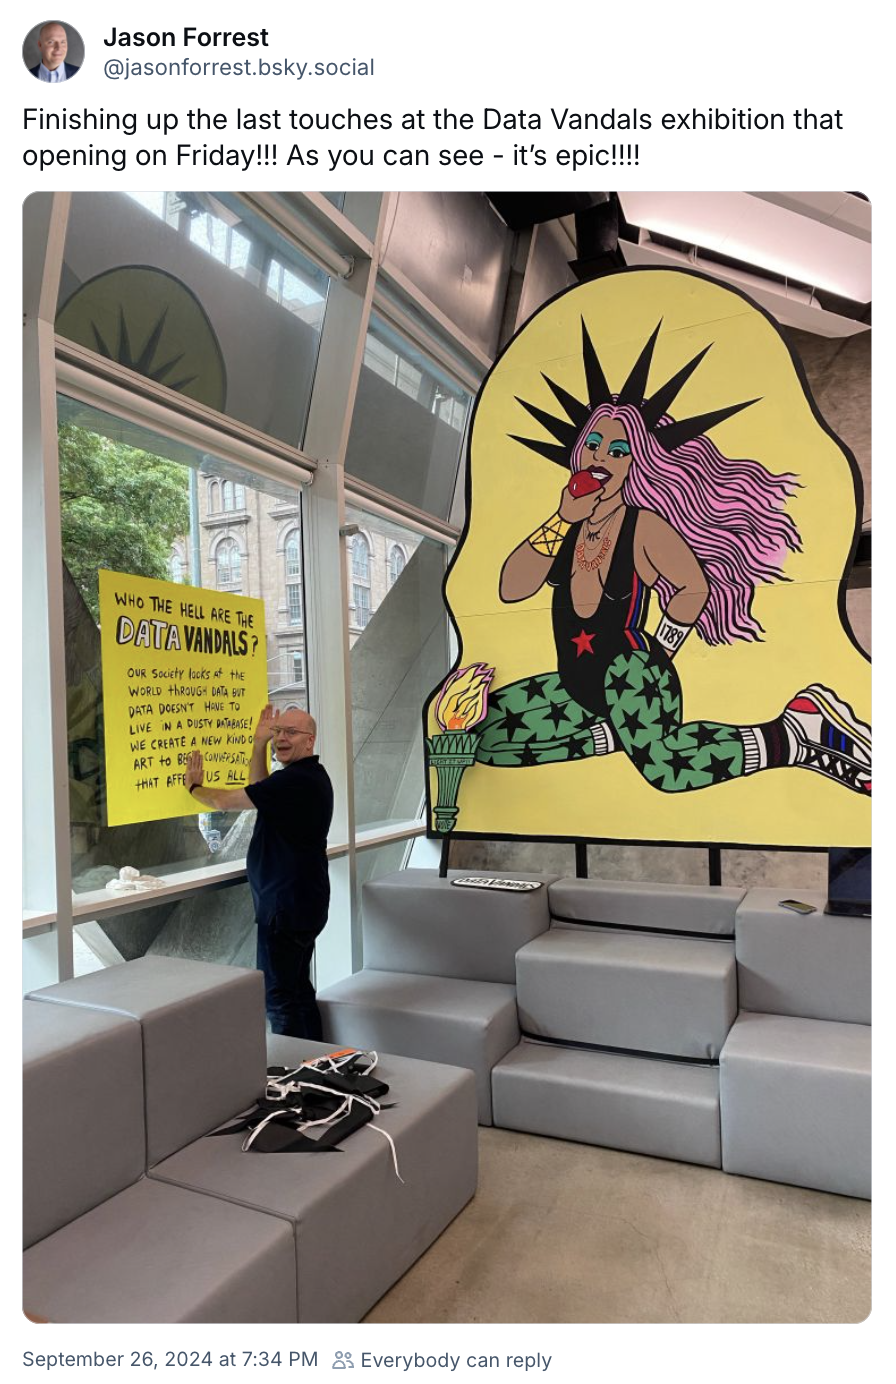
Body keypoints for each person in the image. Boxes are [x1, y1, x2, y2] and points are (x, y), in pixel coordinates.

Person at [474, 320, 871, 795]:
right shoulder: (565, 527)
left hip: (631, 673)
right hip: (576, 687)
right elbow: (510, 588)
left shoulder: (644, 527)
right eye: (595, 444)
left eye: (618, 451)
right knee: (486, 737)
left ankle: (794, 734)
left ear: (636, 464)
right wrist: (560, 518)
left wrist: (660, 650)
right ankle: (622, 734)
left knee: (668, 769)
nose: (602, 457)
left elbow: (693, 586)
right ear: (579, 453)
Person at [184, 704, 334, 1039]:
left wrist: (194, 788)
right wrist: (257, 747)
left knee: (279, 999)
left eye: (290, 733)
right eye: (278, 731)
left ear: (309, 741)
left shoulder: (296, 782)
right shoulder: (304, 778)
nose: (281, 737)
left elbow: (224, 802)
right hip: (300, 902)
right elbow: (260, 788)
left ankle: (295, 1073)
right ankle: (316, 1064)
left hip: (286, 907)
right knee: (296, 990)